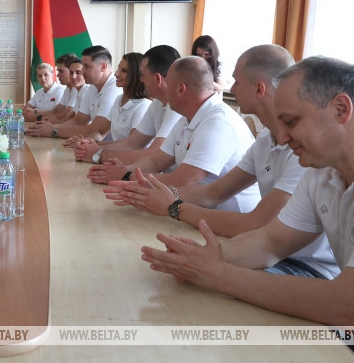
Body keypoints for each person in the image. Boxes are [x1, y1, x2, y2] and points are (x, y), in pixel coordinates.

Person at [140, 56, 354, 333]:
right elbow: (271, 242)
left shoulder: (313, 164)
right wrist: (199, 259)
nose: (282, 138)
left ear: (341, 109)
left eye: (292, 122)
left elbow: (351, 306)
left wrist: (219, 273)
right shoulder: (321, 172)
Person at [106, 45, 338, 279]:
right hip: (260, 247)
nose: (230, 88)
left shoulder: (305, 148)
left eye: (236, 81)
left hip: (304, 265)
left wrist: (172, 205)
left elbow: (257, 224)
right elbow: (213, 194)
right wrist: (157, 194)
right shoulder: (267, 139)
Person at [88, 56, 259, 213]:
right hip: (193, 210)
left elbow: (183, 180)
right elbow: (156, 161)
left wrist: (127, 176)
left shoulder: (218, 123)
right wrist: (124, 171)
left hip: (225, 219)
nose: (162, 87)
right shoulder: (187, 117)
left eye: (167, 83)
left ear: (180, 89)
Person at [72, 45, 182, 165]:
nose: (141, 80)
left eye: (143, 75)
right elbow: (132, 142)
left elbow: (154, 152)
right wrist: (90, 146)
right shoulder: (156, 103)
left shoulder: (173, 107)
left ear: (157, 79)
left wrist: (98, 154)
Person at [27, 46, 121, 140]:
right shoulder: (93, 87)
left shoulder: (114, 88)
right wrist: (48, 128)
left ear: (103, 67)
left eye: (87, 66)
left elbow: (95, 128)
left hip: (110, 149)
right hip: (92, 143)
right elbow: (78, 121)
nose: (82, 71)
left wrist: (55, 130)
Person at [42, 54, 91, 124]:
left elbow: (78, 122)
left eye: (78, 72)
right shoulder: (76, 89)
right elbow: (72, 117)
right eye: (71, 73)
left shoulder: (86, 91)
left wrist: (56, 125)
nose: (73, 76)